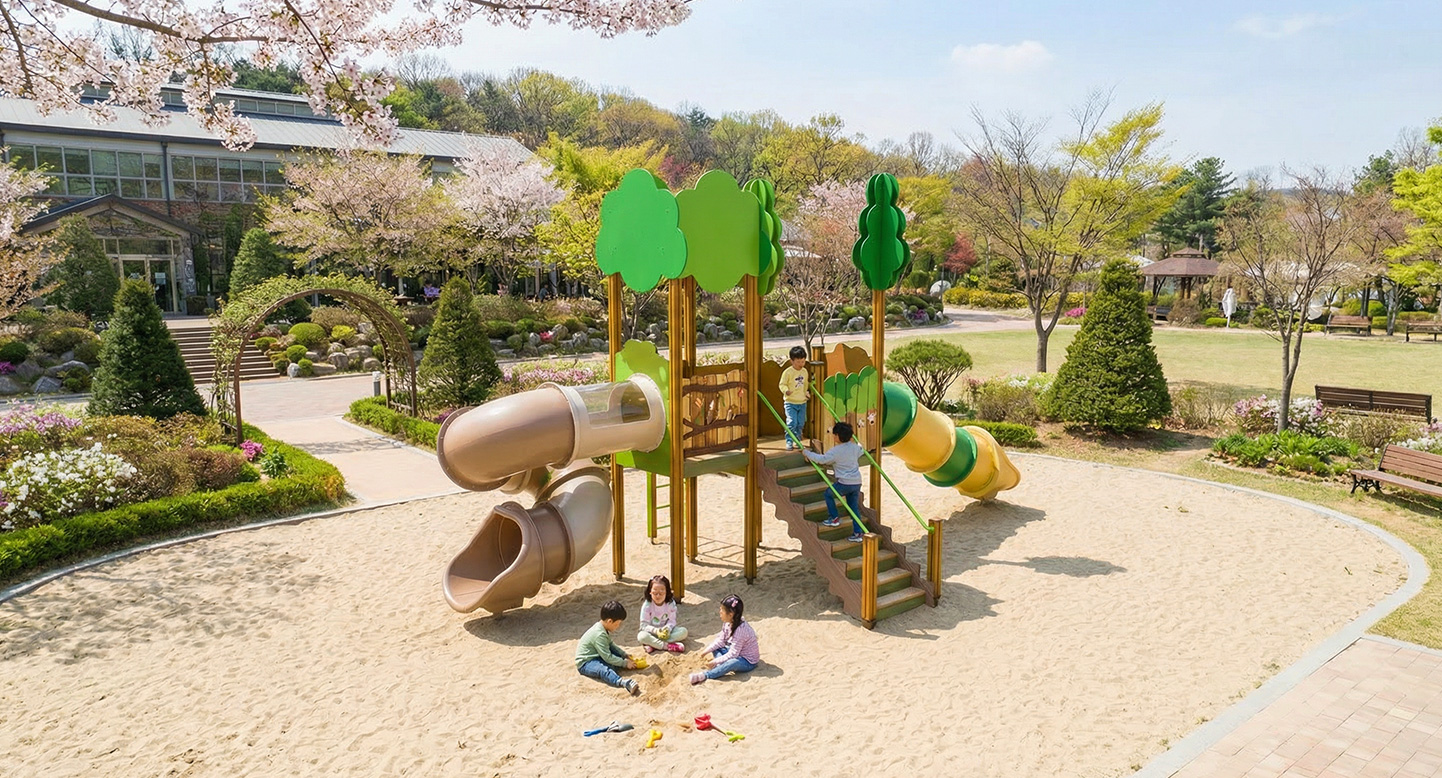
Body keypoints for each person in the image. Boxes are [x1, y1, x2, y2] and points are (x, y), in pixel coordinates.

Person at [804, 422, 866, 543]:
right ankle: (858, 532)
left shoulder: (836, 451)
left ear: (837, 436)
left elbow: (822, 460)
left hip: (844, 482)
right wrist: (858, 443)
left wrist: (806, 453)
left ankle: (834, 518)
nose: (833, 437)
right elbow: (861, 450)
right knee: (853, 508)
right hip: (856, 482)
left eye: (834, 435)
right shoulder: (855, 447)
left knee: (828, 494)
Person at [575, 600, 641, 695]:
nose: (618, 626)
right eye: (617, 624)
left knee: (615, 659)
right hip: (586, 662)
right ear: (610, 621)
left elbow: (611, 645)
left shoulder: (602, 628)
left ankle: (617, 667)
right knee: (603, 669)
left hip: (597, 655)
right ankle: (622, 682)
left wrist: (623, 654)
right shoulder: (599, 634)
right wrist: (624, 663)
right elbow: (607, 657)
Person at [691, 594, 760, 685]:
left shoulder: (741, 630)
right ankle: (721, 666)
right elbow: (720, 640)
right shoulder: (727, 623)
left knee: (732, 663)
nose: (720, 612)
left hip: (747, 660)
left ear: (730, 614)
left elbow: (733, 654)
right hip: (734, 650)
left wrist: (715, 661)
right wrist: (706, 651)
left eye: (722, 610)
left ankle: (706, 675)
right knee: (716, 648)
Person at [637, 575, 688, 654]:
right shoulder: (647, 605)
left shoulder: (670, 603)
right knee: (641, 636)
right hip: (651, 633)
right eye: (655, 593)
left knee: (683, 632)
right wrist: (656, 631)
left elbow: (672, 620)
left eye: (661, 593)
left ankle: (654, 644)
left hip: (666, 632)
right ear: (650, 592)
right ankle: (666, 646)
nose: (658, 596)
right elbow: (643, 625)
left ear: (667, 592)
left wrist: (667, 629)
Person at [779, 346, 809, 450]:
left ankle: (797, 439)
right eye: (798, 362)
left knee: (800, 423)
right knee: (792, 422)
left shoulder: (804, 371)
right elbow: (782, 384)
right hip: (790, 402)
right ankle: (789, 440)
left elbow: (805, 384)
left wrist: (806, 393)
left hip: (802, 402)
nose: (801, 364)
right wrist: (786, 390)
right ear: (792, 361)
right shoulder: (788, 372)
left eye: (803, 361)